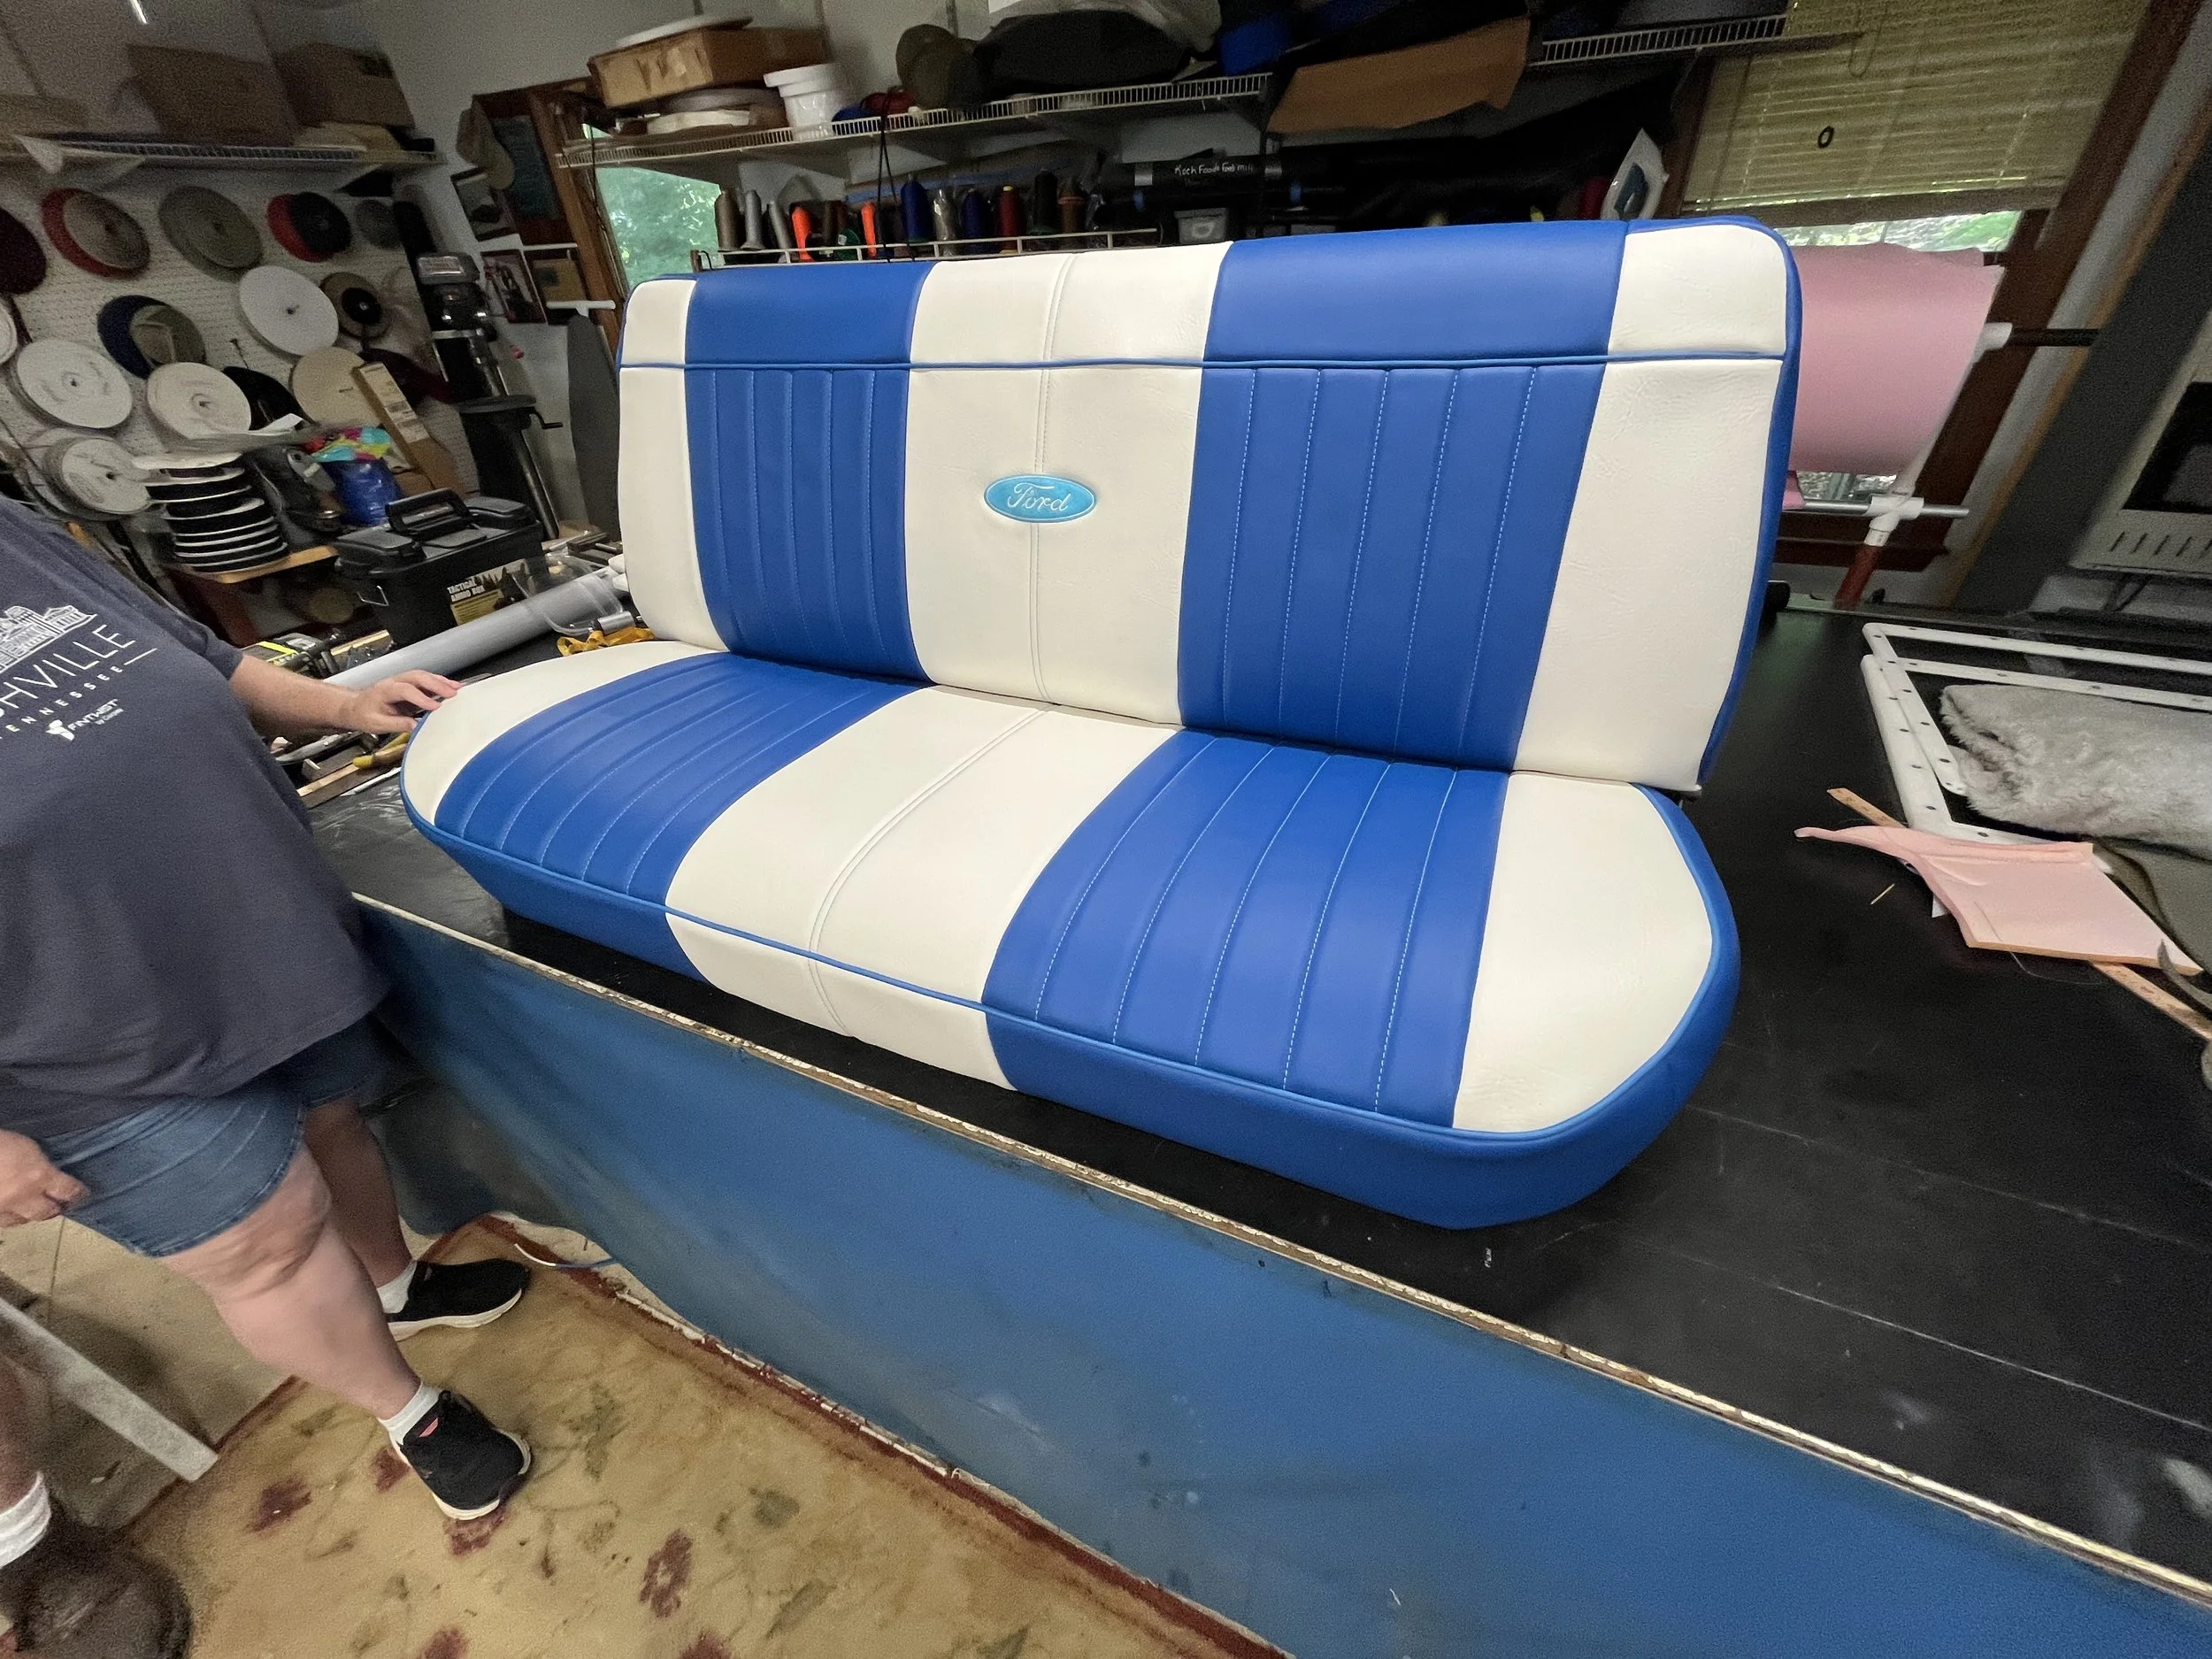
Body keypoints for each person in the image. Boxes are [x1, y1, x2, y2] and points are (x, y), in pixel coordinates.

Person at [0, 500, 531, 1655]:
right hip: (71, 1045)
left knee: (334, 1120)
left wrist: (341, 704)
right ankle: (408, 1410)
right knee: (267, 1240)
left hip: (243, 930)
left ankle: (393, 1283)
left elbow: (193, 653)